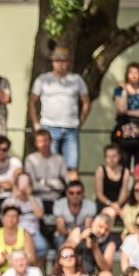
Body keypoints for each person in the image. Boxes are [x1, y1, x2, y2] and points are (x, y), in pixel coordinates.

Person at [28, 46, 91, 180]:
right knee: (50, 165)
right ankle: (52, 197)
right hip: (49, 127)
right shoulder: (43, 79)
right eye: (57, 61)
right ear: (52, 62)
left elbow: (86, 101)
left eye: (64, 61)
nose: (60, 64)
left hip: (71, 128)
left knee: (72, 167)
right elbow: (32, 101)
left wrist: (81, 121)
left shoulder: (76, 79)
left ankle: (73, 196)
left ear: (68, 62)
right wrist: (35, 123)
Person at [111, 62, 139, 168]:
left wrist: (129, 112)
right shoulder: (119, 90)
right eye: (131, 72)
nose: (134, 75)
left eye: (136, 72)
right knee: (123, 161)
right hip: (124, 128)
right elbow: (121, 109)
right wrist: (125, 91)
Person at [1, 173, 49, 260]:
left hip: (33, 233)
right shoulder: (9, 201)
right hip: (16, 233)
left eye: (26, 186)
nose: (23, 189)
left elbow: (39, 215)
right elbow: (6, 218)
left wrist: (29, 196)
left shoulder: (36, 200)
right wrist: (15, 196)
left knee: (43, 248)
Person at [23, 129, 68, 213]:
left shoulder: (60, 159)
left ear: (51, 141)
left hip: (56, 199)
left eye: (45, 140)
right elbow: (32, 185)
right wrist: (53, 185)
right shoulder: (30, 159)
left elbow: (62, 186)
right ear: (35, 143)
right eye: (40, 141)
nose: (43, 144)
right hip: (37, 199)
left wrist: (42, 182)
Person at [52, 180, 96, 248]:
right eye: (71, 193)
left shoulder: (91, 205)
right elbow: (61, 229)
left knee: (86, 241)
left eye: (78, 193)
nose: (75, 196)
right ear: (66, 193)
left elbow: (87, 228)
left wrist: (77, 236)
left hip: (82, 234)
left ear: (83, 193)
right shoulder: (59, 204)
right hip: (63, 235)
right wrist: (73, 234)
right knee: (59, 240)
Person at [94, 144, 130, 214]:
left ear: (119, 156)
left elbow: (124, 192)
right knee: (110, 212)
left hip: (120, 204)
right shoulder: (100, 170)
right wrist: (111, 204)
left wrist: (117, 205)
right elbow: (99, 194)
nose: (111, 159)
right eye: (108, 156)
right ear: (105, 157)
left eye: (114, 156)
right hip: (104, 203)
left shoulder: (125, 172)